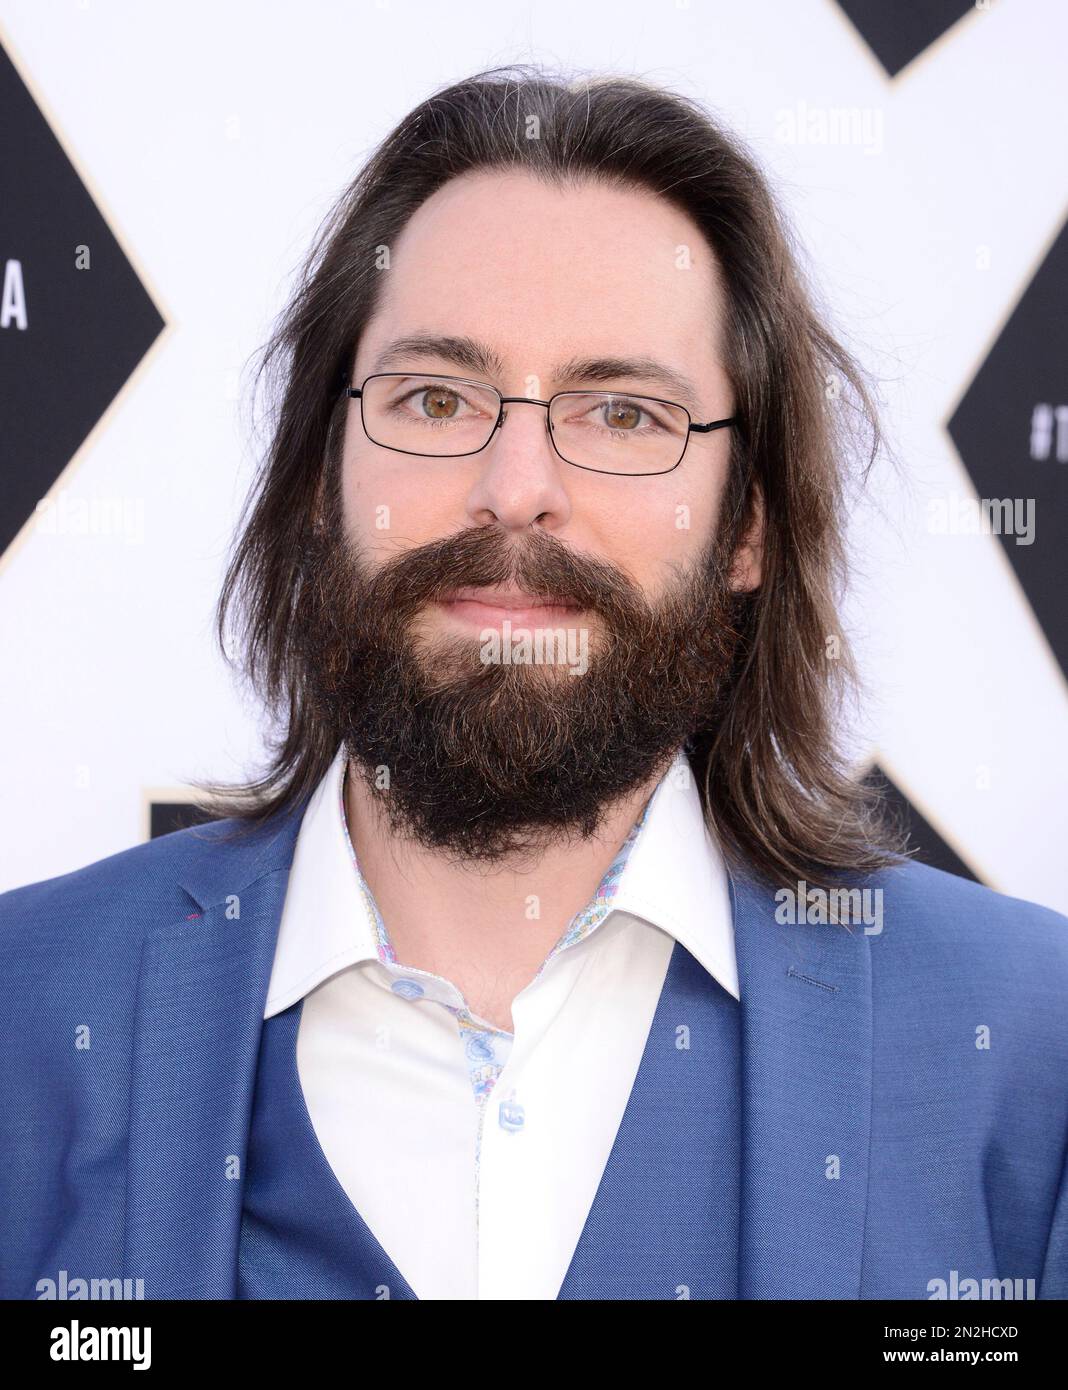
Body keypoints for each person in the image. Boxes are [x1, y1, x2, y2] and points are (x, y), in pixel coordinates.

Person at [2, 65, 1066, 1303]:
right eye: (438, 398)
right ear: (315, 479)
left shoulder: (1027, 1061)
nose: (517, 486)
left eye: (621, 413)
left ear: (748, 528)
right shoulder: (26, 1019)